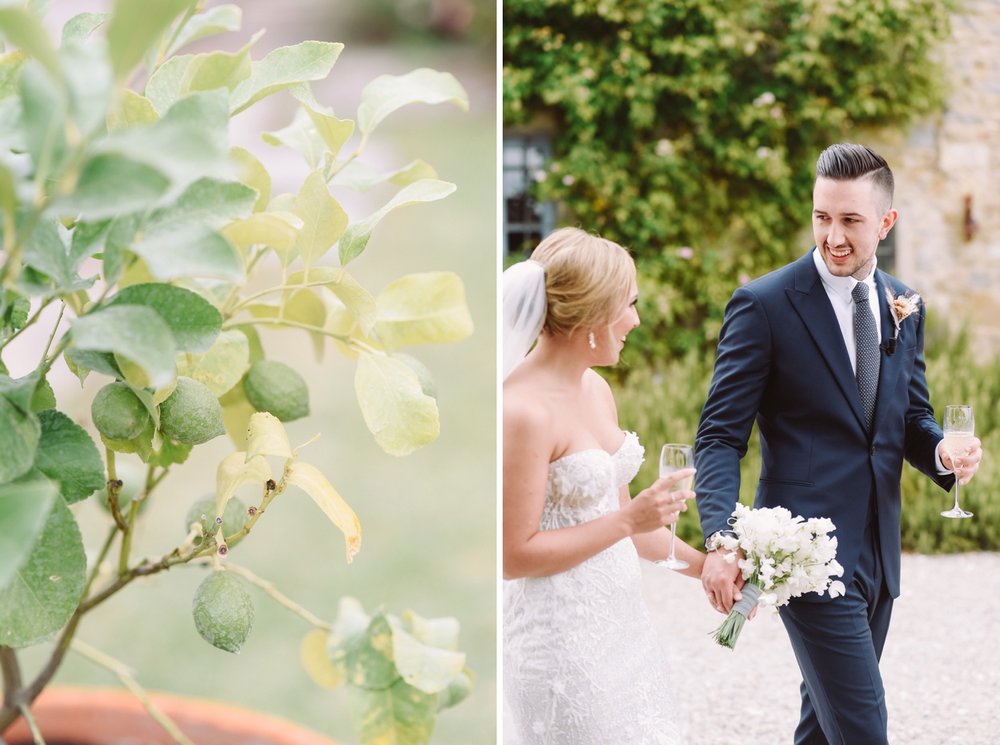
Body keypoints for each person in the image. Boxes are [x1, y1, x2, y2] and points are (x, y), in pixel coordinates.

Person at [695, 143, 984, 744]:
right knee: (862, 727)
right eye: (822, 217)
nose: (833, 236)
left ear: (886, 222)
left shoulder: (905, 304)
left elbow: (910, 418)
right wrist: (721, 539)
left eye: (851, 220)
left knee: (824, 729)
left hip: (879, 551)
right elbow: (721, 436)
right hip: (806, 557)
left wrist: (940, 454)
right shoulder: (765, 305)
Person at [502, 227, 704, 745]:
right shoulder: (520, 411)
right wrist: (628, 519)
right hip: (559, 649)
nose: (636, 320)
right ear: (593, 314)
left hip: (620, 628)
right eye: (629, 304)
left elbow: (634, 531)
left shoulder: (595, 389)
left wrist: (709, 569)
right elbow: (513, 555)